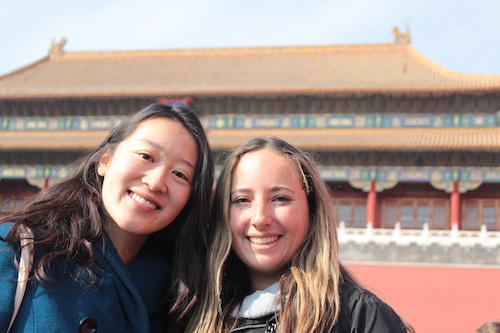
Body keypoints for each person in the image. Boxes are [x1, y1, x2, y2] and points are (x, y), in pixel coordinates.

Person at [0, 102, 214, 333]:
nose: (156, 182)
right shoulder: (19, 250)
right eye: (145, 156)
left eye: (179, 174)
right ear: (105, 160)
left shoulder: (184, 300)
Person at [186, 137, 409, 333]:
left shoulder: (358, 317)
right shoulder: (198, 316)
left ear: (311, 211)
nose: (260, 218)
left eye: (280, 198)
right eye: (242, 200)